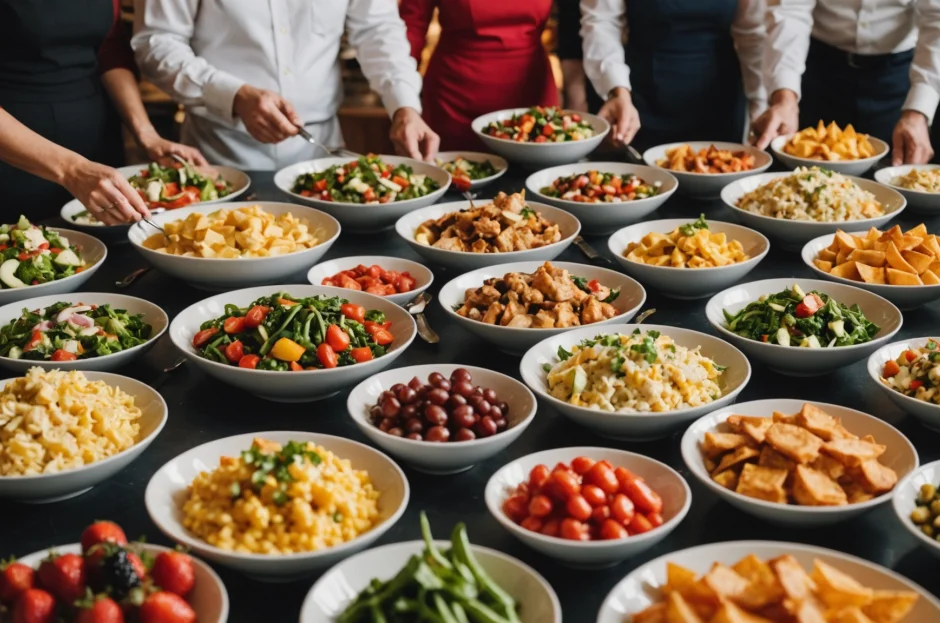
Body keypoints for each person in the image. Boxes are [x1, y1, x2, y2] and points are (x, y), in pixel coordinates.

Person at [132, 0, 440, 170]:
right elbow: (155, 43)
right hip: (219, 153)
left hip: (321, 153)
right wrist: (234, 95)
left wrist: (404, 106)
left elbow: (378, 31)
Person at [0, 0, 202, 223]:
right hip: (14, 159)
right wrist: (72, 170)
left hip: (98, 153)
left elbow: (110, 50)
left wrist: (147, 134)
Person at [753, 0, 940, 165]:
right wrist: (785, 97)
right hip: (816, 68)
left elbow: (936, 18)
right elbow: (790, 10)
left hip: (897, 75)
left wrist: (918, 111)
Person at [579, 0, 767, 151]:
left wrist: (760, 106)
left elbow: (752, 36)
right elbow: (602, 22)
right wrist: (618, 91)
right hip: (639, 101)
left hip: (720, 101)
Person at [399, 0, 558, 151]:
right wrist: (402, 100)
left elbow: (573, 20)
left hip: (532, 97)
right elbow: (411, 26)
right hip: (454, 103)